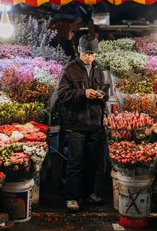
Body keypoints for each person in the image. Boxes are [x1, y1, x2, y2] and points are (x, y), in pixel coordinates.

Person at [57, 34, 110, 213]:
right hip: (75, 125)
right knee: (75, 163)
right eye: (86, 53)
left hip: (94, 124)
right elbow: (62, 94)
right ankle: (72, 197)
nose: (89, 57)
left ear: (96, 53)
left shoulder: (98, 69)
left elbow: (104, 89)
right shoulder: (70, 69)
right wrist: (83, 93)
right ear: (78, 50)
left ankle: (88, 194)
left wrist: (102, 94)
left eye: (92, 53)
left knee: (91, 162)